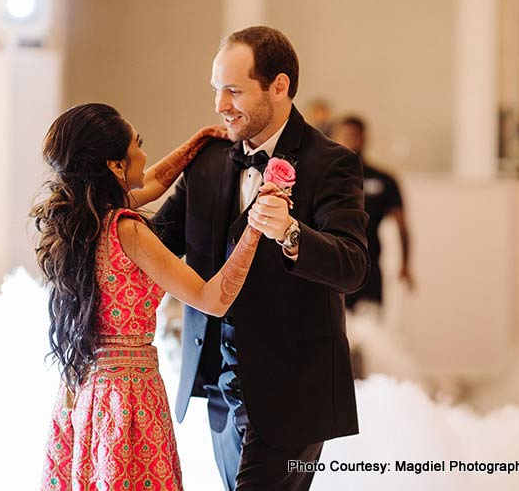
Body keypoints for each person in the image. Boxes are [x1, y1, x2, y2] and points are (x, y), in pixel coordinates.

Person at [154, 26, 370, 490]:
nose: (219, 105)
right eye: (216, 90)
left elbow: (352, 266)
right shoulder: (207, 161)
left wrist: (291, 232)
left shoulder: (331, 163)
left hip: (294, 390)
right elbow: (154, 242)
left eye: (233, 90)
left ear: (279, 86)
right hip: (218, 387)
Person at [31, 103, 288, 490]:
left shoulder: (80, 218)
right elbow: (212, 298)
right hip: (130, 397)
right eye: (138, 144)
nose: (145, 155)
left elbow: (149, 182)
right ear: (116, 167)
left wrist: (195, 144)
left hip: (86, 392)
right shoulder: (127, 229)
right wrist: (256, 226)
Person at [330, 115, 414, 310]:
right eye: (345, 136)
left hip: (368, 267)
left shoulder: (384, 180)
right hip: (332, 265)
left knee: (369, 327)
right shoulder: (326, 179)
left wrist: (405, 264)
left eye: (354, 136)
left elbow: (402, 225)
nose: (350, 141)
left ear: (364, 138)